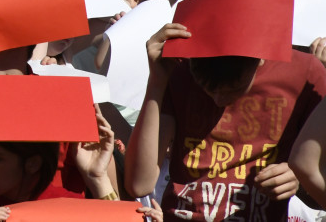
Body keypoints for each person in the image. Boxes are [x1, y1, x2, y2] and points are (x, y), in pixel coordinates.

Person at [126, 21, 326, 221]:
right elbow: (139, 184)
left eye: (234, 89)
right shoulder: (179, 71)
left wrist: (296, 176)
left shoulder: (305, 73)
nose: (219, 100)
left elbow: (317, 168)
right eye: (207, 88)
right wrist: (157, 82)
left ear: (259, 60)